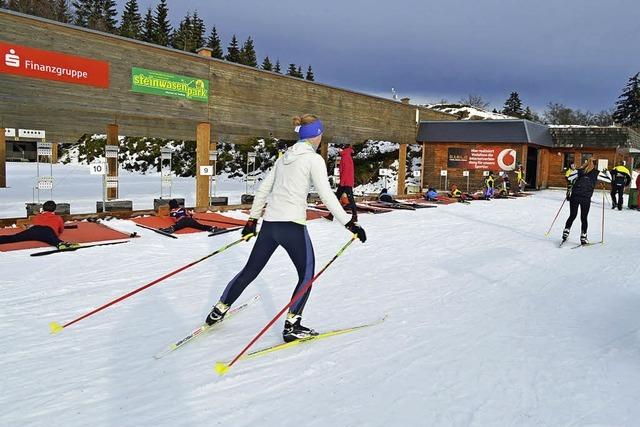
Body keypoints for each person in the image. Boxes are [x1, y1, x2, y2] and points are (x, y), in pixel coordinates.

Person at [203, 114, 366, 342]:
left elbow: (263, 190)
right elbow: (327, 195)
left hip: (270, 226)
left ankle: (219, 309)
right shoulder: (313, 160)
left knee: (250, 270)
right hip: (292, 226)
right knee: (307, 274)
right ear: (316, 135)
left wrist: (252, 220)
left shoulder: (283, 158)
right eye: (321, 133)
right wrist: (350, 223)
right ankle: (292, 325)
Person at [562, 158, 607, 245]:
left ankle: (566, 231)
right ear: (595, 164)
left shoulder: (579, 171)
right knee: (584, 218)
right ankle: (583, 237)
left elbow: (570, 178)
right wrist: (605, 171)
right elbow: (609, 179)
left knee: (572, 215)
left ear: (586, 163)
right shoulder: (596, 172)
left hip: (575, 196)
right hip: (586, 198)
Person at [0, 201, 78, 250]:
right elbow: (60, 230)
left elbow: (36, 223)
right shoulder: (58, 217)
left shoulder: (38, 216)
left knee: (13, 237)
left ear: (43, 208)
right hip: (48, 231)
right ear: (54, 209)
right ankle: (61, 244)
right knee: (55, 241)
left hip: (34, 230)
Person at [335, 145, 358, 221]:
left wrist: (342, 181)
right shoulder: (347, 156)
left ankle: (355, 216)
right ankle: (331, 215)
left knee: (349, 199)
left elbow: (343, 171)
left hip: (345, 181)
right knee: (337, 197)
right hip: (346, 181)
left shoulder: (345, 157)